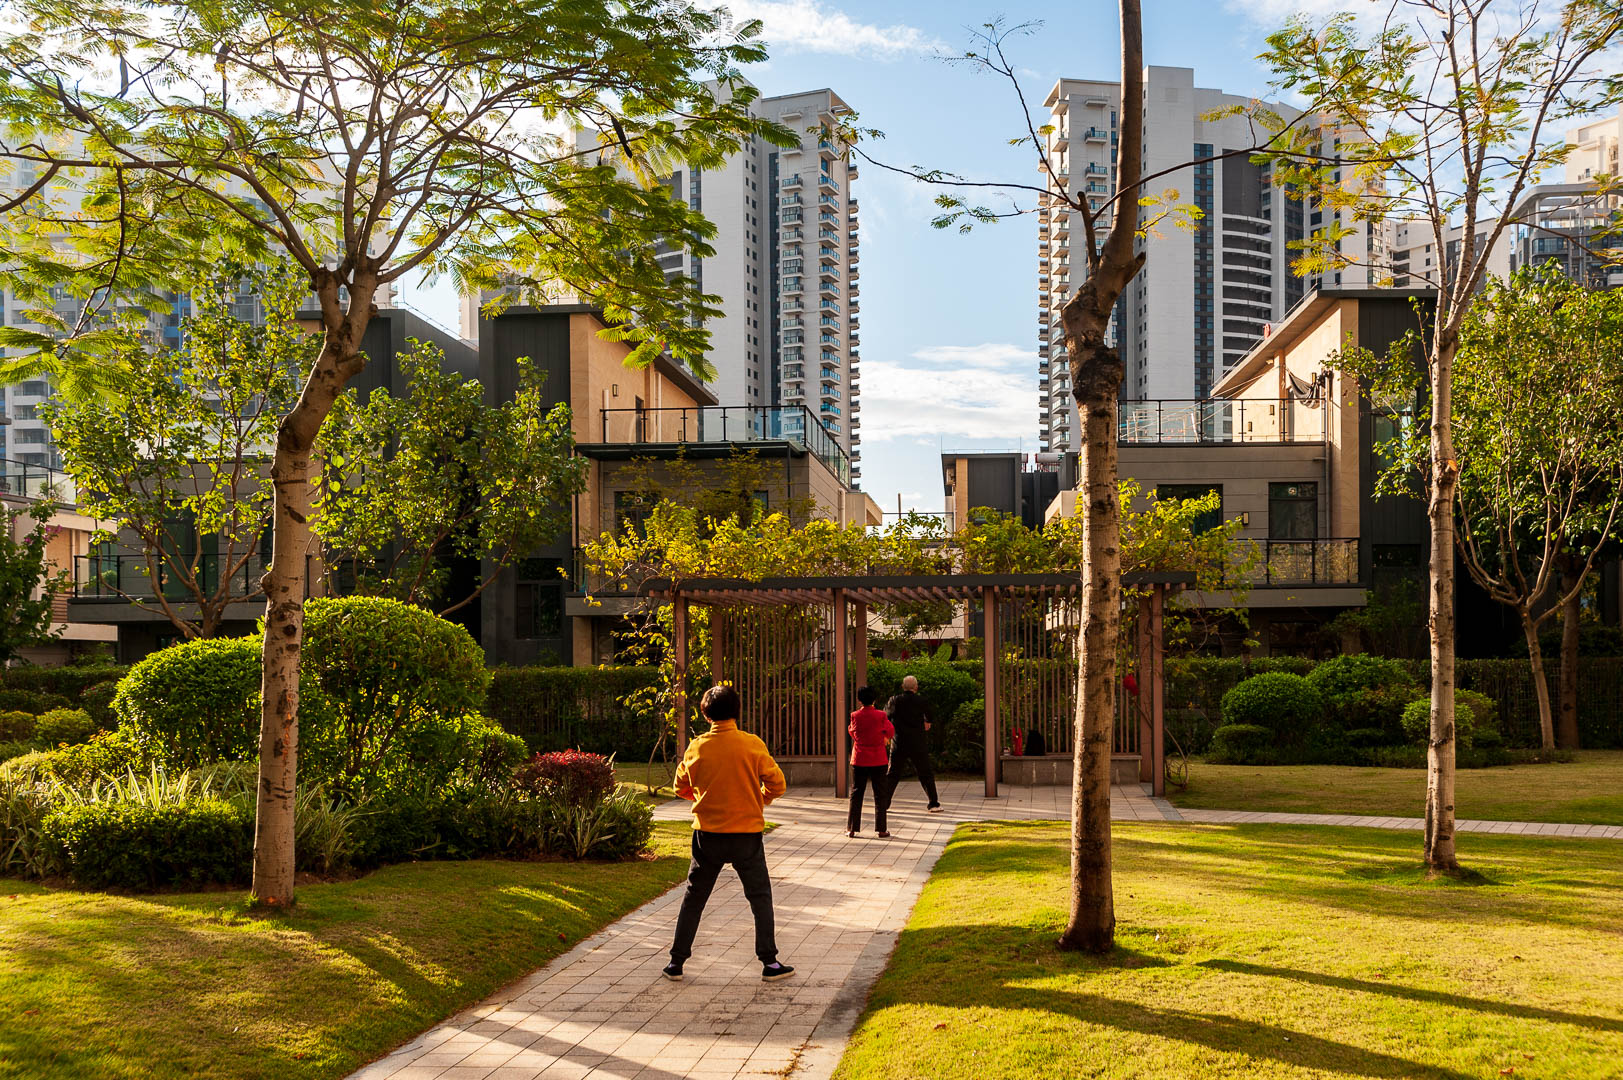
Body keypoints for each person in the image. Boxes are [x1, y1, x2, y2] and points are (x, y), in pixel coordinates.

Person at [664, 684, 795, 983]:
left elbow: (679, 787)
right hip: (746, 833)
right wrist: (757, 798)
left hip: (707, 834)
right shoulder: (751, 744)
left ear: (705, 713)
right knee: (760, 897)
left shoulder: (696, 747)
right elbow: (778, 784)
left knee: (694, 897)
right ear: (737, 711)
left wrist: (704, 799)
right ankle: (769, 962)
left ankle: (676, 962)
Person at [886, 674, 942, 812]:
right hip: (918, 742)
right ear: (916, 687)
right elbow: (930, 717)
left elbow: (886, 716)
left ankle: (884, 803)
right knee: (925, 773)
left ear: (902, 687)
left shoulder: (894, 700)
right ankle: (933, 803)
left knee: (893, 773)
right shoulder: (922, 701)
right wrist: (926, 723)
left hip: (899, 741)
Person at [847, 685, 894, 838]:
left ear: (859, 699)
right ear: (874, 699)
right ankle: (881, 829)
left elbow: (853, 732)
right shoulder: (880, 715)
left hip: (859, 757)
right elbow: (890, 730)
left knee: (856, 792)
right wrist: (884, 738)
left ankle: (852, 828)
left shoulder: (855, 715)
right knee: (880, 794)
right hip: (878, 757)